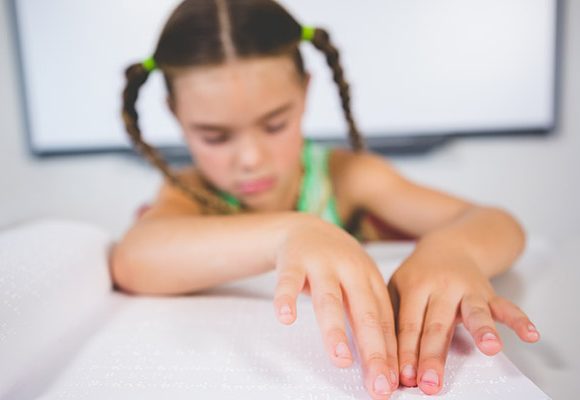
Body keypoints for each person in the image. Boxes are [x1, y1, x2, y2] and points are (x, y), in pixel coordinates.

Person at [111, 0, 540, 398]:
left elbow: (499, 223)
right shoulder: (190, 194)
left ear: (304, 94)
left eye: (275, 124)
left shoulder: (348, 177)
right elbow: (134, 259)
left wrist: (453, 249)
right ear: (175, 115)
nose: (250, 159)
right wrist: (291, 232)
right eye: (214, 136)